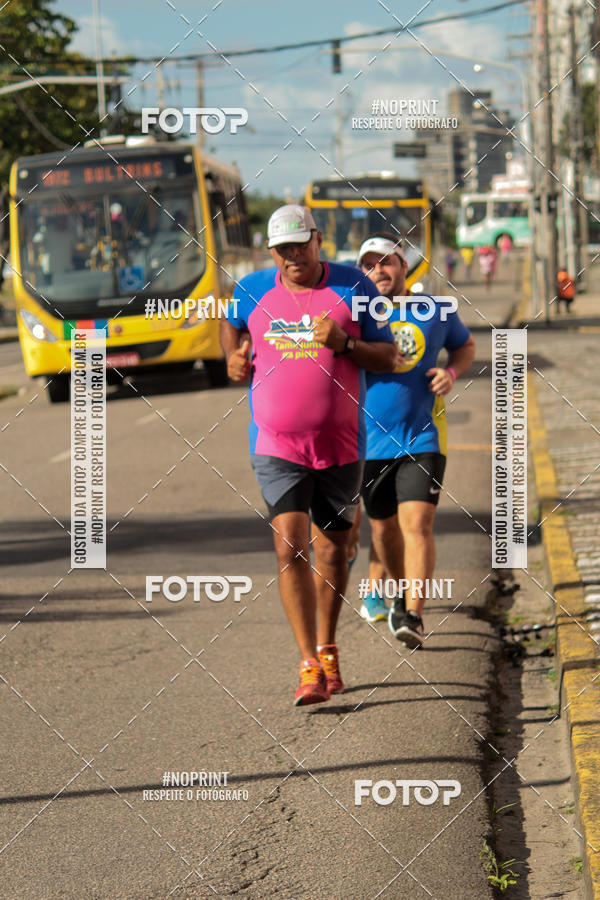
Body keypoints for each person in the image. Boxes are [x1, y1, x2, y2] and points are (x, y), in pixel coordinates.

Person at [221, 205, 396, 705]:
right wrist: (231, 355)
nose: (292, 255)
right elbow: (231, 326)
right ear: (271, 251)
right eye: (282, 249)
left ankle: (328, 643)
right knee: (288, 546)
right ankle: (307, 663)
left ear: (317, 240)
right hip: (275, 443)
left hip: (340, 445)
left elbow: (388, 357)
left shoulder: (353, 289)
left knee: (333, 552)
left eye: (300, 244)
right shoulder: (252, 289)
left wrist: (344, 343)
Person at [356, 232, 475, 648]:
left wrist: (452, 373)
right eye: (369, 264)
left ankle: (413, 614)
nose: (379, 270)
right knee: (383, 530)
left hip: (422, 437)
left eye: (387, 261)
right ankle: (389, 593)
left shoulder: (434, 310)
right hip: (366, 444)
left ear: (405, 267)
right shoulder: (352, 316)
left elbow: (466, 345)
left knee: (417, 525)